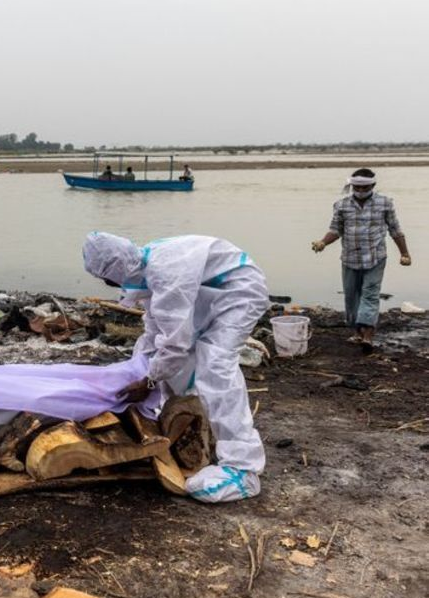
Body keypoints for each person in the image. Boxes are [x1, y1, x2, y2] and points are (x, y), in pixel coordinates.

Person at [83, 232, 269, 503]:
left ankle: (243, 468)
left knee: (215, 363)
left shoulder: (165, 272)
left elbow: (175, 345)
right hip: (209, 291)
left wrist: (149, 382)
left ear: (117, 269)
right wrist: (142, 370)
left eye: (107, 278)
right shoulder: (146, 269)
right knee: (162, 353)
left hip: (238, 291)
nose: (109, 284)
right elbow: (156, 329)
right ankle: (188, 418)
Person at [312, 168, 411, 354]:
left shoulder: (385, 203)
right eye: (357, 187)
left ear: (373, 185)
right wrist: (323, 242)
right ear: (352, 186)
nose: (360, 191)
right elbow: (336, 230)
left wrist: (404, 253)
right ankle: (357, 332)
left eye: (365, 188)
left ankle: (368, 336)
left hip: (376, 257)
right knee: (351, 296)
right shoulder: (341, 205)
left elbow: (395, 229)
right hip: (350, 258)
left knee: (370, 294)